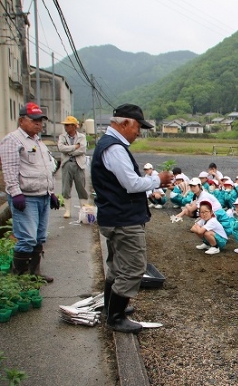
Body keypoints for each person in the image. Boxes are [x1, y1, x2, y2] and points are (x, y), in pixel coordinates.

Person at [91, 103, 172, 333]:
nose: (139, 132)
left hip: (115, 215)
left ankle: (110, 308)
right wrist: (158, 179)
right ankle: (115, 317)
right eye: (137, 127)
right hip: (123, 219)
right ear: (125, 123)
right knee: (134, 267)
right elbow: (132, 184)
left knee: (117, 265)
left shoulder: (109, 144)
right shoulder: (115, 148)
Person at [0, 102, 60, 282]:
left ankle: (34, 273)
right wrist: (15, 192)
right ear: (21, 120)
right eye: (34, 120)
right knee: (27, 238)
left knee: (40, 236)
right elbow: (9, 170)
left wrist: (51, 192)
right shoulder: (13, 140)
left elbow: (45, 168)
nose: (38, 124)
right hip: (26, 198)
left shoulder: (37, 141)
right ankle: (18, 277)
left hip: (42, 196)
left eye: (40, 120)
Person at [57, 115, 89, 218]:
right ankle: (67, 211)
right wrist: (75, 147)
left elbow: (82, 150)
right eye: (65, 125)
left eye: (68, 125)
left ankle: (83, 210)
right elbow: (61, 148)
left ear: (74, 126)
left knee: (81, 188)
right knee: (66, 187)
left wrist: (70, 151)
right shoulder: (62, 136)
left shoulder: (82, 137)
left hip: (79, 164)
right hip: (67, 164)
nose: (66, 127)